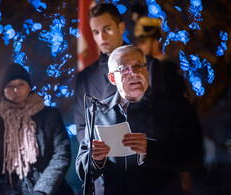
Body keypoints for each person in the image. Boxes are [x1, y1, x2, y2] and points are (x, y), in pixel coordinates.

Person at [76, 45, 203, 194]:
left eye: (138, 66)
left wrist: (149, 149)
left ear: (146, 70)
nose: (134, 73)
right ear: (112, 78)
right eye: (124, 69)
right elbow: (82, 171)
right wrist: (95, 159)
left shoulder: (175, 107)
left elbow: (191, 158)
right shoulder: (97, 112)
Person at [0, 63, 73, 195]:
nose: (16, 90)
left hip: (52, 191)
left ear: (29, 86)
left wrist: (42, 190)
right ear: (3, 91)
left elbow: (62, 154)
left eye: (21, 84)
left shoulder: (50, 115)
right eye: (10, 86)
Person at [74, 2, 127, 143]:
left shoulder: (148, 65)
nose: (101, 37)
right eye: (96, 32)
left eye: (107, 29)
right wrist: (93, 154)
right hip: (104, 158)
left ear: (121, 27)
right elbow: (82, 126)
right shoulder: (84, 78)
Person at [132, 3, 187, 97]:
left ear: (156, 42)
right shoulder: (147, 67)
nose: (139, 46)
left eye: (143, 42)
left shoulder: (167, 68)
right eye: (138, 42)